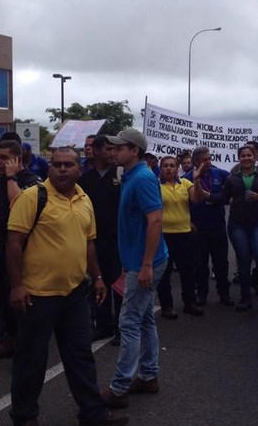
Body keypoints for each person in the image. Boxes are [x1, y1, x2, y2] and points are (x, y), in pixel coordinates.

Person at [6, 147, 128, 426]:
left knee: (81, 358)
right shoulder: (33, 197)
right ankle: (24, 417)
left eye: (68, 164)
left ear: (79, 168)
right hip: (37, 296)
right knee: (31, 362)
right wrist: (16, 285)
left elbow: (88, 243)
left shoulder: (85, 200)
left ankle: (93, 414)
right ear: (49, 168)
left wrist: (97, 277)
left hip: (74, 293)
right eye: (57, 164)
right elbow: (13, 243)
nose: (62, 169)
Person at [103, 129, 168, 409]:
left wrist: (144, 266)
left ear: (135, 151)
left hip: (145, 263)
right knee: (144, 320)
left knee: (128, 322)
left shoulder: (141, 178)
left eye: (120, 148)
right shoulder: (129, 175)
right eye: (113, 148)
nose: (113, 152)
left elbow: (155, 221)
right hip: (138, 261)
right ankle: (148, 376)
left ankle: (119, 389)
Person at [0, 140, 41, 360]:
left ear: (17, 159)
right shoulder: (1, 179)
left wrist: (11, 177)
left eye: (4, 158)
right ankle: (11, 338)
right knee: (2, 297)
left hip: (22, 251)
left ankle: (27, 347)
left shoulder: (30, 180)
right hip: (1, 248)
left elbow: (18, 205)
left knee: (21, 300)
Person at [211, 145, 258, 313]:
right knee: (244, 261)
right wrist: (205, 194)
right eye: (243, 156)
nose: (246, 158)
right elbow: (223, 198)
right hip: (238, 224)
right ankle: (245, 298)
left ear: (255, 157)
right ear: (238, 158)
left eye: (249, 155)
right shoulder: (232, 177)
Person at [77, 134, 123, 343]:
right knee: (98, 282)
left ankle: (122, 327)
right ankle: (103, 325)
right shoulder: (84, 179)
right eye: (108, 149)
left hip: (119, 241)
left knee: (120, 285)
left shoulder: (122, 175)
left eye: (115, 149)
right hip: (93, 241)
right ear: (96, 151)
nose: (113, 153)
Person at [182, 146, 234, 307]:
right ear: (196, 162)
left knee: (221, 262)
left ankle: (224, 292)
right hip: (197, 228)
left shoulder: (220, 174)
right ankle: (202, 293)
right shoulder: (187, 178)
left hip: (217, 225)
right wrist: (188, 222)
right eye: (205, 160)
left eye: (210, 158)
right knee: (200, 263)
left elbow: (235, 183)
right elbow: (183, 205)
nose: (208, 162)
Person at [156, 155, 204, 318]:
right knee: (165, 273)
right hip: (163, 235)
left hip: (184, 234)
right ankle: (167, 306)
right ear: (161, 168)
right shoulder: (155, 185)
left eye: (172, 165)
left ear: (178, 168)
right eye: (165, 166)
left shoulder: (186, 183)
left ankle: (189, 302)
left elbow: (196, 199)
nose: (169, 168)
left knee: (188, 271)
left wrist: (197, 181)